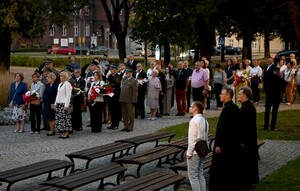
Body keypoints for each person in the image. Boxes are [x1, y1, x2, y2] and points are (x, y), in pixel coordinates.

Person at [209, 87, 241, 191]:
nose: (220, 95)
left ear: (228, 96)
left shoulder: (228, 109)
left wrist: (219, 145)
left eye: (222, 94)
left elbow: (224, 129)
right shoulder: (234, 108)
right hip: (231, 144)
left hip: (225, 145)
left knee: (222, 168)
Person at [237, 87, 259, 190]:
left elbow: (243, 125)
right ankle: (250, 181)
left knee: (246, 162)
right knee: (249, 161)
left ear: (245, 95)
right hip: (249, 138)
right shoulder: (247, 106)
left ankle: (246, 183)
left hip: (246, 140)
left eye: (240, 94)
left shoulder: (246, 108)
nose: (238, 95)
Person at [186, 101, 208, 191]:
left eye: (191, 106)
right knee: (200, 174)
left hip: (195, 151)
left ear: (195, 108)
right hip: (203, 149)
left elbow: (192, 139)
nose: (190, 108)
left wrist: (189, 152)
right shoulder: (204, 120)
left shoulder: (194, 121)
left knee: (193, 177)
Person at [54, 71, 72, 139]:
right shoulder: (60, 84)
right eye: (60, 76)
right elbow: (58, 94)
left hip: (64, 104)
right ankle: (63, 132)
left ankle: (66, 133)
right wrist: (55, 103)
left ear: (65, 77)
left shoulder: (67, 84)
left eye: (61, 76)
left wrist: (66, 105)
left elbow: (68, 95)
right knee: (60, 119)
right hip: (59, 103)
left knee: (65, 119)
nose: (60, 77)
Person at [119, 67, 138, 132]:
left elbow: (135, 91)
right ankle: (125, 126)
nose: (126, 74)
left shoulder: (134, 81)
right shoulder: (124, 79)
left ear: (131, 73)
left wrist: (134, 100)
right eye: (126, 73)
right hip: (123, 99)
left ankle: (130, 127)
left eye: (128, 73)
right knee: (124, 113)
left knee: (130, 114)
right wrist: (123, 76)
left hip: (129, 100)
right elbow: (118, 81)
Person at [107, 64, 121, 129]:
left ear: (115, 70)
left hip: (116, 95)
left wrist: (114, 88)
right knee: (111, 110)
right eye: (111, 69)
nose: (111, 70)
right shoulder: (109, 76)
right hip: (110, 95)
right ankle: (113, 123)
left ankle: (116, 124)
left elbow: (118, 85)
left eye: (112, 69)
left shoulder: (118, 76)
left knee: (116, 110)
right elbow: (107, 83)